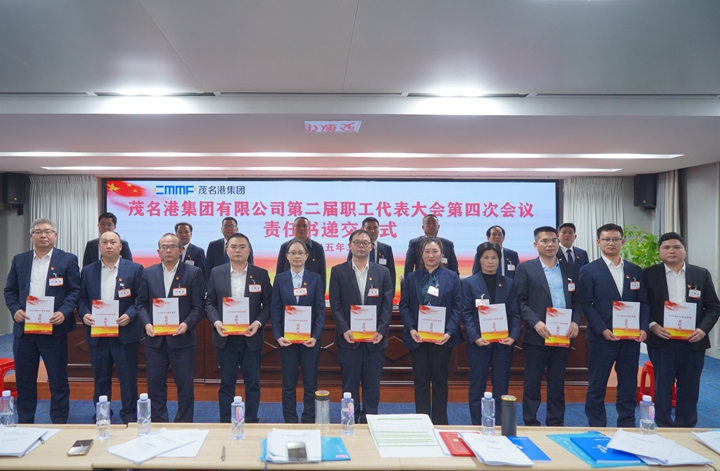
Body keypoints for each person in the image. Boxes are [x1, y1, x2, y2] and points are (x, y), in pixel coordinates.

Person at [4, 218, 80, 424]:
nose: (43, 235)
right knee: (24, 379)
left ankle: (59, 421)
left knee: (57, 379)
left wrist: (64, 312)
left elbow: (75, 291)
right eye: (38, 232)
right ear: (31, 236)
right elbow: (10, 291)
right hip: (25, 330)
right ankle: (26, 422)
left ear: (55, 235)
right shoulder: (19, 260)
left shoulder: (67, 260)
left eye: (48, 231)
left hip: (54, 329)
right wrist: (15, 310)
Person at [643, 232, 720, 427]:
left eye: (677, 247)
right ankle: (663, 426)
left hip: (693, 341)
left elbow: (713, 306)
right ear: (660, 251)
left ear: (684, 250)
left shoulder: (701, 274)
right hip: (662, 341)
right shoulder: (648, 274)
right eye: (666, 247)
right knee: (662, 387)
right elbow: (643, 305)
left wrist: (702, 330)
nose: (672, 251)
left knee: (690, 387)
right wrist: (652, 325)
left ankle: (686, 427)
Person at [579, 223, 649, 427]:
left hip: (630, 339)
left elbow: (643, 302)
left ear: (622, 241)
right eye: (606, 239)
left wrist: (643, 327)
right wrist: (602, 329)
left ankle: (626, 425)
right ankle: (597, 426)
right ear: (598, 242)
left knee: (628, 385)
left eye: (615, 239)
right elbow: (586, 304)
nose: (611, 243)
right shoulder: (588, 270)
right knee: (597, 385)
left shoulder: (635, 270)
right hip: (602, 338)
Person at [514, 226, 582, 426]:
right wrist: (536, 323)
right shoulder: (525, 268)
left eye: (553, 240)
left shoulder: (570, 269)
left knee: (557, 382)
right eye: (545, 241)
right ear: (536, 245)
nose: (550, 244)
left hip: (563, 334)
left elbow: (578, 301)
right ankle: (530, 421)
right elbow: (520, 301)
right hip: (537, 334)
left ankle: (556, 421)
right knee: (532, 382)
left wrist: (575, 321)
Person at [78, 231, 145, 424]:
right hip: (98, 334)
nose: (109, 246)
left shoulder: (135, 269)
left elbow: (141, 299)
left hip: (125, 333)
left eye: (113, 242)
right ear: (98, 246)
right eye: (104, 242)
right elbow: (81, 298)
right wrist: (84, 313)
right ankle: (102, 415)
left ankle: (130, 416)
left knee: (128, 379)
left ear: (120, 246)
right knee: (100, 379)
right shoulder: (88, 271)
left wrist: (130, 315)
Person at [137, 233, 205, 423]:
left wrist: (187, 324)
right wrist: (146, 323)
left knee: (185, 385)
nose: (168, 250)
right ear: (158, 251)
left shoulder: (193, 273)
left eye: (173, 246)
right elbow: (141, 303)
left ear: (181, 250)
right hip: (155, 340)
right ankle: (158, 421)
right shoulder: (148, 273)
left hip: (182, 339)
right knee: (155, 385)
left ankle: (184, 423)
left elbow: (198, 307)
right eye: (164, 247)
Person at [206, 232, 272, 423]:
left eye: (242, 247)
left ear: (249, 251)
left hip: (251, 337)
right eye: (233, 247)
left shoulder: (260, 274)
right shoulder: (216, 272)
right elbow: (209, 303)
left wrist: (257, 323)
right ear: (227, 250)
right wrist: (217, 322)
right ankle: (226, 421)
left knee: (253, 384)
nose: (237, 250)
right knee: (227, 383)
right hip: (225, 338)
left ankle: (251, 420)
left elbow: (269, 304)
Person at [330, 229, 393, 423]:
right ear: (349, 246)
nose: (361, 246)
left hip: (375, 339)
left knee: (372, 384)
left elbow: (387, 304)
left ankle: (369, 420)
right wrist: (344, 329)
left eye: (365, 243)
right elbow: (335, 304)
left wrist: (381, 330)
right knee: (349, 384)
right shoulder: (338, 271)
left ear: (371, 247)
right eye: (357, 242)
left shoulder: (382, 272)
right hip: (349, 338)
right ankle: (350, 418)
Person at [399, 236, 463, 424]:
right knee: (420, 381)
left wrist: (449, 332)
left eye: (435, 251)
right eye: (427, 251)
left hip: (442, 338)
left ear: (442, 254)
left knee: (440, 381)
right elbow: (404, 305)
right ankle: (422, 421)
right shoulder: (412, 277)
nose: (431, 255)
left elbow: (457, 307)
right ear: (422, 254)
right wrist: (411, 329)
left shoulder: (451, 277)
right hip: (417, 337)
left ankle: (440, 422)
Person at [461, 242, 520, 426]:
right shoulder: (469, 283)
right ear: (479, 260)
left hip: (503, 343)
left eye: (494, 258)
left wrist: (513, 336)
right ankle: (477, 424)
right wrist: (475, 337)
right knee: (477, 386)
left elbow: (514, 313)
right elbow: (466, 313)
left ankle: (500, 424)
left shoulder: (508, 283)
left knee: (501, 385)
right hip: (479, 343)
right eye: (486, 257)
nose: (490, 261)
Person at [270, 239, 325, 423]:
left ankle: (309, 418)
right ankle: (290, 420)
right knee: (288, 383)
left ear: (306, 256)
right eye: (293, 253)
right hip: (287, 340)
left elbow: (320, 311)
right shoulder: (280, 279)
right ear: (287, 256)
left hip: (310, 340)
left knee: (310, 383)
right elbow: (275, 310)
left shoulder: (315, 278)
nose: (296, 256)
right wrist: (278, 336)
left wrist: (316, 336)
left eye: (300, 253)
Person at [347, 217, 396, 293]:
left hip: (380, 289)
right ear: (363, 229)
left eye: (375, 228)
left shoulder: (386, 249)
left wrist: (390, 294)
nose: (372, 231)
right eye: (369, 228)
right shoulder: (356, 248)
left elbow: (391, 273)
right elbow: (348, 269)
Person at [276, 217, 327, 289]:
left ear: (309, 229)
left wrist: (320, 293)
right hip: (288, 290)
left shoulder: (318, 248)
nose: (301, 228)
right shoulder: (285, 247)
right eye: (298, 226)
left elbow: (322, 274)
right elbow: (279, 271)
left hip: (311, 291)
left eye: (305, 226)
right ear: (293, 228)